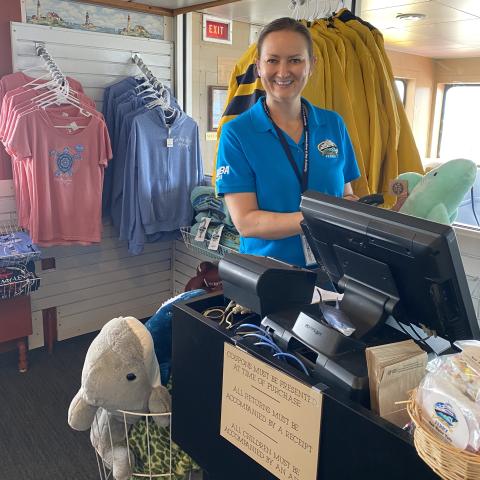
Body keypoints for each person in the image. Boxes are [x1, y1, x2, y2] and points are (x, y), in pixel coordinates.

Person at [215, 17, 360, 267]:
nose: (283, 72)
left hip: (334, 271)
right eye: (272, 60)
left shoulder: (333, 124)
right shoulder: (236, 133)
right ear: (258, 66)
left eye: (295, 60)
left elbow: (345, 192)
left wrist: (352, 208)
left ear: (311, 65)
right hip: (268, 276)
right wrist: (322, 218)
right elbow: (246, 222)